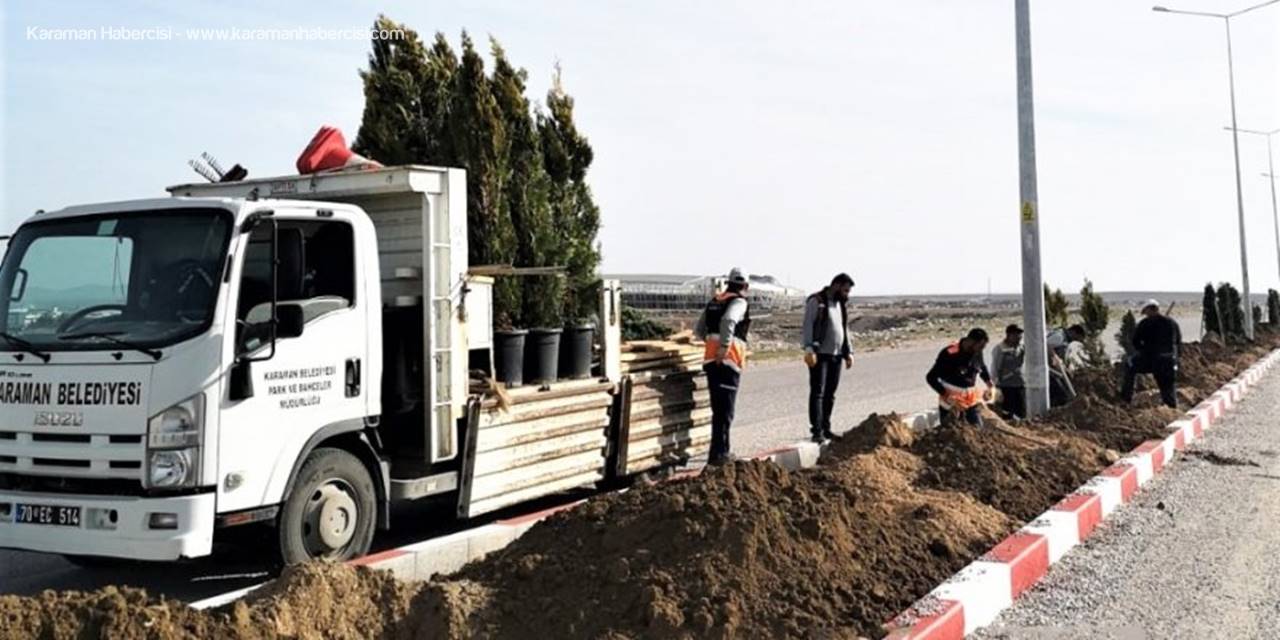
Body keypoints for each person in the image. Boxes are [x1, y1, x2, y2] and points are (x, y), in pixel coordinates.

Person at [695, 267, 752, 465]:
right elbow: (729, 320)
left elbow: (699, 329)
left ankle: (716, 454)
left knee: (718, 410)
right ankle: (721, 455)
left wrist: (712, 343)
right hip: (728, 361)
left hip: (711, 360)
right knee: (726, 411)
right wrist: (725, 346)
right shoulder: (739, 302)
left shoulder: (715, 301)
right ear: (745, 286)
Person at [801, 273, 855, 443]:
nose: (847, 294)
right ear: (836, 285)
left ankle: (826, 428)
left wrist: (849, 352)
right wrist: (809, 349)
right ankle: (817, 431)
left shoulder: (840, 304)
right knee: (818, 392)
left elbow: (844, 328)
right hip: (819, 354)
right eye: (845, 290)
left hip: (836, 355)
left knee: (830, 394)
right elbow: (808, 325)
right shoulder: (817, 301)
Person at [1121, 299, 1182, 408]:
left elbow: (1136, 342)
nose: (1146, 314)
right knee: (1168, 389)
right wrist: (1176, 359)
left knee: (1129, 365)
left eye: (1146, 311)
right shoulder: (1172, 323)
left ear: (1149, 310)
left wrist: (1143, 352)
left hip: (1151, 360)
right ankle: (1172, 409)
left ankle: (1126, 399)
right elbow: (1178, 342)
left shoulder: (1145, 323)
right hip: (1169, 361)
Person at [926, 328, 994, 426]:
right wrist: (948, 396)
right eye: (980, 346)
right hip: (951, 405)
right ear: (971, 341)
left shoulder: (977, 352)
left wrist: (990, 385)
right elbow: (931, 377)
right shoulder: (950, 353)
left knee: (977, 429)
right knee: (953, 432)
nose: (981, 350)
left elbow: (982, 367)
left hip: (970, 402)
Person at [989, 324, 1026, 418]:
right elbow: (995, 368)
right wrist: (994, 386)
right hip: (1005, 385)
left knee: (1021, 410)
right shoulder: (1000, 349)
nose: (1019, 338)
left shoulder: (1021, 347)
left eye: (1020, 336)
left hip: (1020, 383)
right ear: (1009, 335)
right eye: (1016, 335)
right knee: (1007, 411)